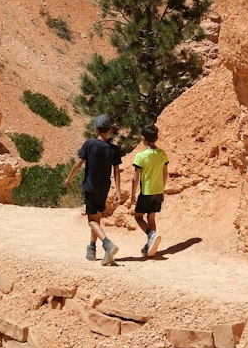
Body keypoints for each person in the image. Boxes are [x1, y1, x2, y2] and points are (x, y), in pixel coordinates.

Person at [63, 114, 122, 266]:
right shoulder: (114, 149)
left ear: (96, 130)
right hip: (105, 187)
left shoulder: (89, 144)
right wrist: (117, 191)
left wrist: (69, 178)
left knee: (91, 220)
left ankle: (107, 244)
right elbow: (116, 171)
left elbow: (78, 164)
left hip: (91, 186)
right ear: (109, 130)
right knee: (97, 218)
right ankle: (92, 248)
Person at [130, 123, 169, 257]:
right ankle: (151, 247)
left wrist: (133, 194)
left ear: (143, 139)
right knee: (151, 218)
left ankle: (151, 235)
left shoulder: (140, 156)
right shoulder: (162, 154)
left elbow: (135, 178)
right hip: (158, 191)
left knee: (138, 216)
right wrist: (162, 189)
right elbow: (165, 174)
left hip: (146, 192)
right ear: (156, 138)